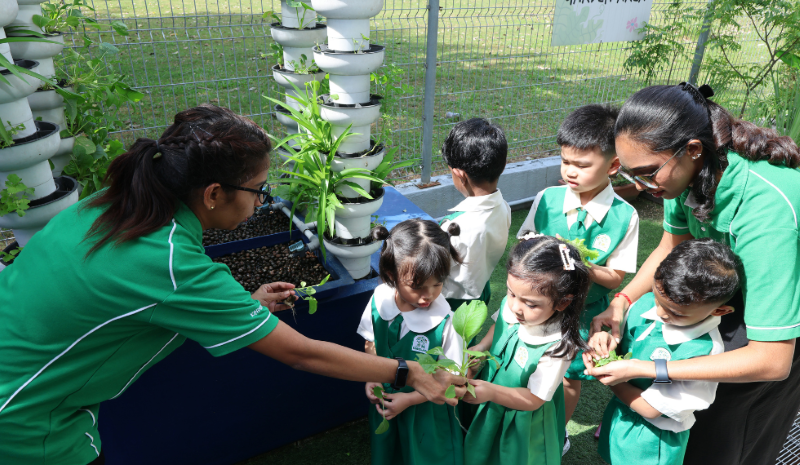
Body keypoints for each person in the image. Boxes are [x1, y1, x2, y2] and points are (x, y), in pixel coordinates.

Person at [0, 105, 465, 465]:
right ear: (213, 194)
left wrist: (241, 304)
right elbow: (301, 353)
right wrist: (406, 371)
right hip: (28, 422)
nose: (263, 199)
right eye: (259, 190)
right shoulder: (168, 263)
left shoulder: (118, 204)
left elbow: (143, 300)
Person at [586, 82, 800, 465]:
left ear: (693, 150)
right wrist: (620, 304)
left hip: (780, 323)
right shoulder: (684, 178)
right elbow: (672, 245)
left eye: (648, 173)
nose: (640, 186)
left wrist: (652, 370)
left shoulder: (766, 213)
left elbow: (772, 359)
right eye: (632, 174)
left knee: (731, 437)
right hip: (728, 295)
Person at [516, 104, 639, 448]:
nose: (570, 171)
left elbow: (615, 277)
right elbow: (524, 245)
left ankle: (557, 433)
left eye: (582, 165)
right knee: (526, 362)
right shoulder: (546, 199)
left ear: (614, 165)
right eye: (565, 161)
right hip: (538, 308)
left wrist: (578, 263)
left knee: (570, 378)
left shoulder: (625, 216)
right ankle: (519, 415)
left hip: (583, 314)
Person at [586, 238, 740, 465]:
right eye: (658, 299)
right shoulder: (647, 303)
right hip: (620, 414)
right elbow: (623, 343)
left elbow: (650, 410)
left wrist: (610, 379)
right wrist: (604, 342)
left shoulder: (706, 350)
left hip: (653, 440)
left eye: (676, 313)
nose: (660, 313)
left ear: (720, 310)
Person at [461, 234, 591, 465]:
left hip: (519, 416)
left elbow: (534, 399)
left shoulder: (557, 345)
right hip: (491, 390)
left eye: (530, 304)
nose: (515, 307)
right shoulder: (516, 305)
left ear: (563, 302)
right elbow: (500, 325)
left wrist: (491, 393)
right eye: (511, 293)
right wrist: (481, 347)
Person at [358, 219, 466, 465]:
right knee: (390, 452)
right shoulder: (379, 300)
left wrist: (409, 399)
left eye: (438, 284)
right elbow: (370, 341)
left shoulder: (446, 321)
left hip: (425, 410)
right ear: (390, 275)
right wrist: (371, 376)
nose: (428, 295)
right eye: (416, 287)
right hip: (386, 402)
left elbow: (451, 379)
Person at [439, 118, 512, 311]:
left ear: (460, 175)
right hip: (481, 292)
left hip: (450, 302)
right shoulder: (504, 207)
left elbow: (435, 269)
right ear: (503, 164)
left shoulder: (455, 226)